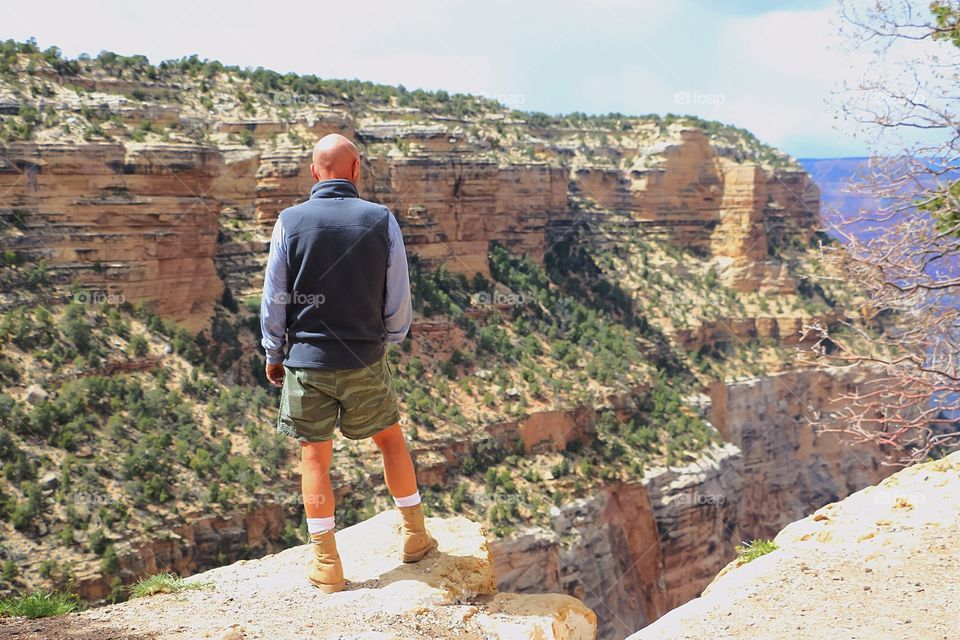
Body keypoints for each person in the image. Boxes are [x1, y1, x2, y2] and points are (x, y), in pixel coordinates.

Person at [259, 133, 435, 593]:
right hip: (364, 357)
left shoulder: (289, 221)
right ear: (356, 169)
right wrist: (388, 339)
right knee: (391, 441)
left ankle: (327, 563)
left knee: (314, 455)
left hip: (306, 361)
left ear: (314, 171)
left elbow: (274, 295)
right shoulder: (381, 220)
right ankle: (415, 535)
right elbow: (398, 294)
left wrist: (274, 352)